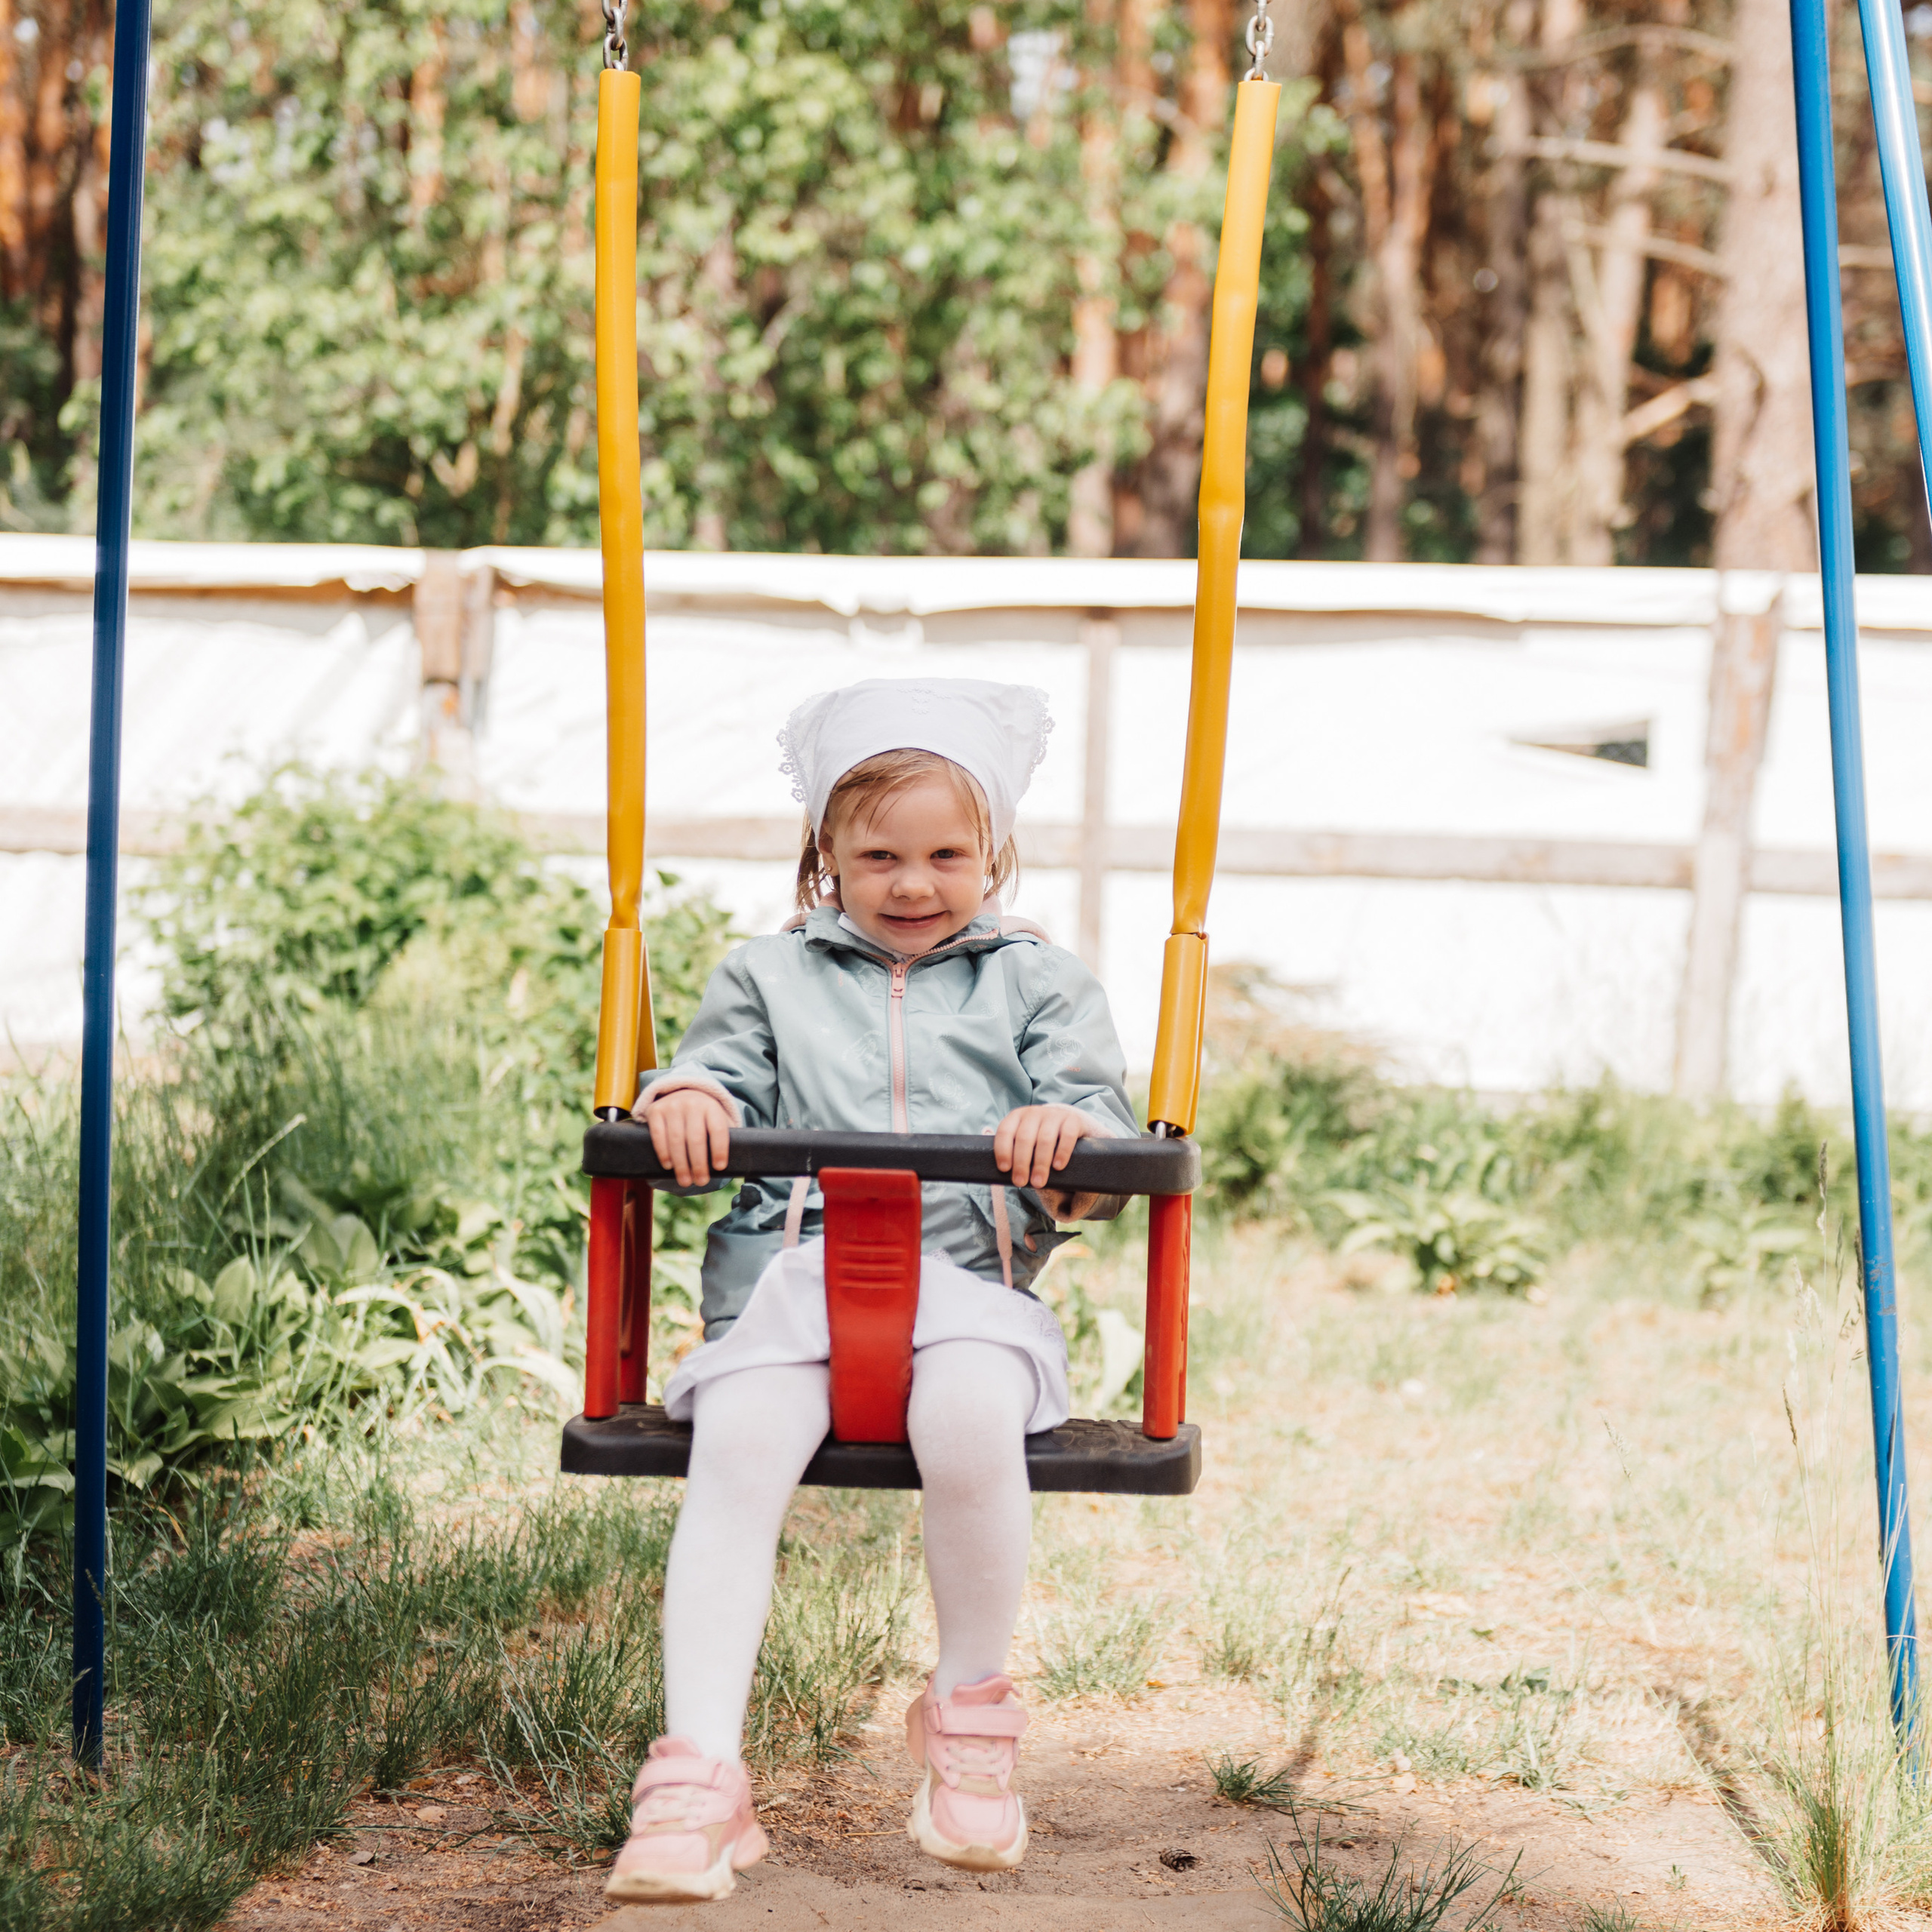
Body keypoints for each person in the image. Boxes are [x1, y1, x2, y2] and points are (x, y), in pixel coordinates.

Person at [603, 677, 1137, 1906]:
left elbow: (1098, 1139)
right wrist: (689, 1099)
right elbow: (716, 1073)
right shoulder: (765, 976)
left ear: (994, 855)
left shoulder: (1040, 985)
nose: (912, 883)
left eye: (947, 855)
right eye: (879, 856)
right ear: (825, 859)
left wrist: (1070, 1131)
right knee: (737, 1447)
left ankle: (969, 1719)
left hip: (973, 1291)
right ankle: (697, 1775)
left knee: (969, 1423)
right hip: (789, 1294)